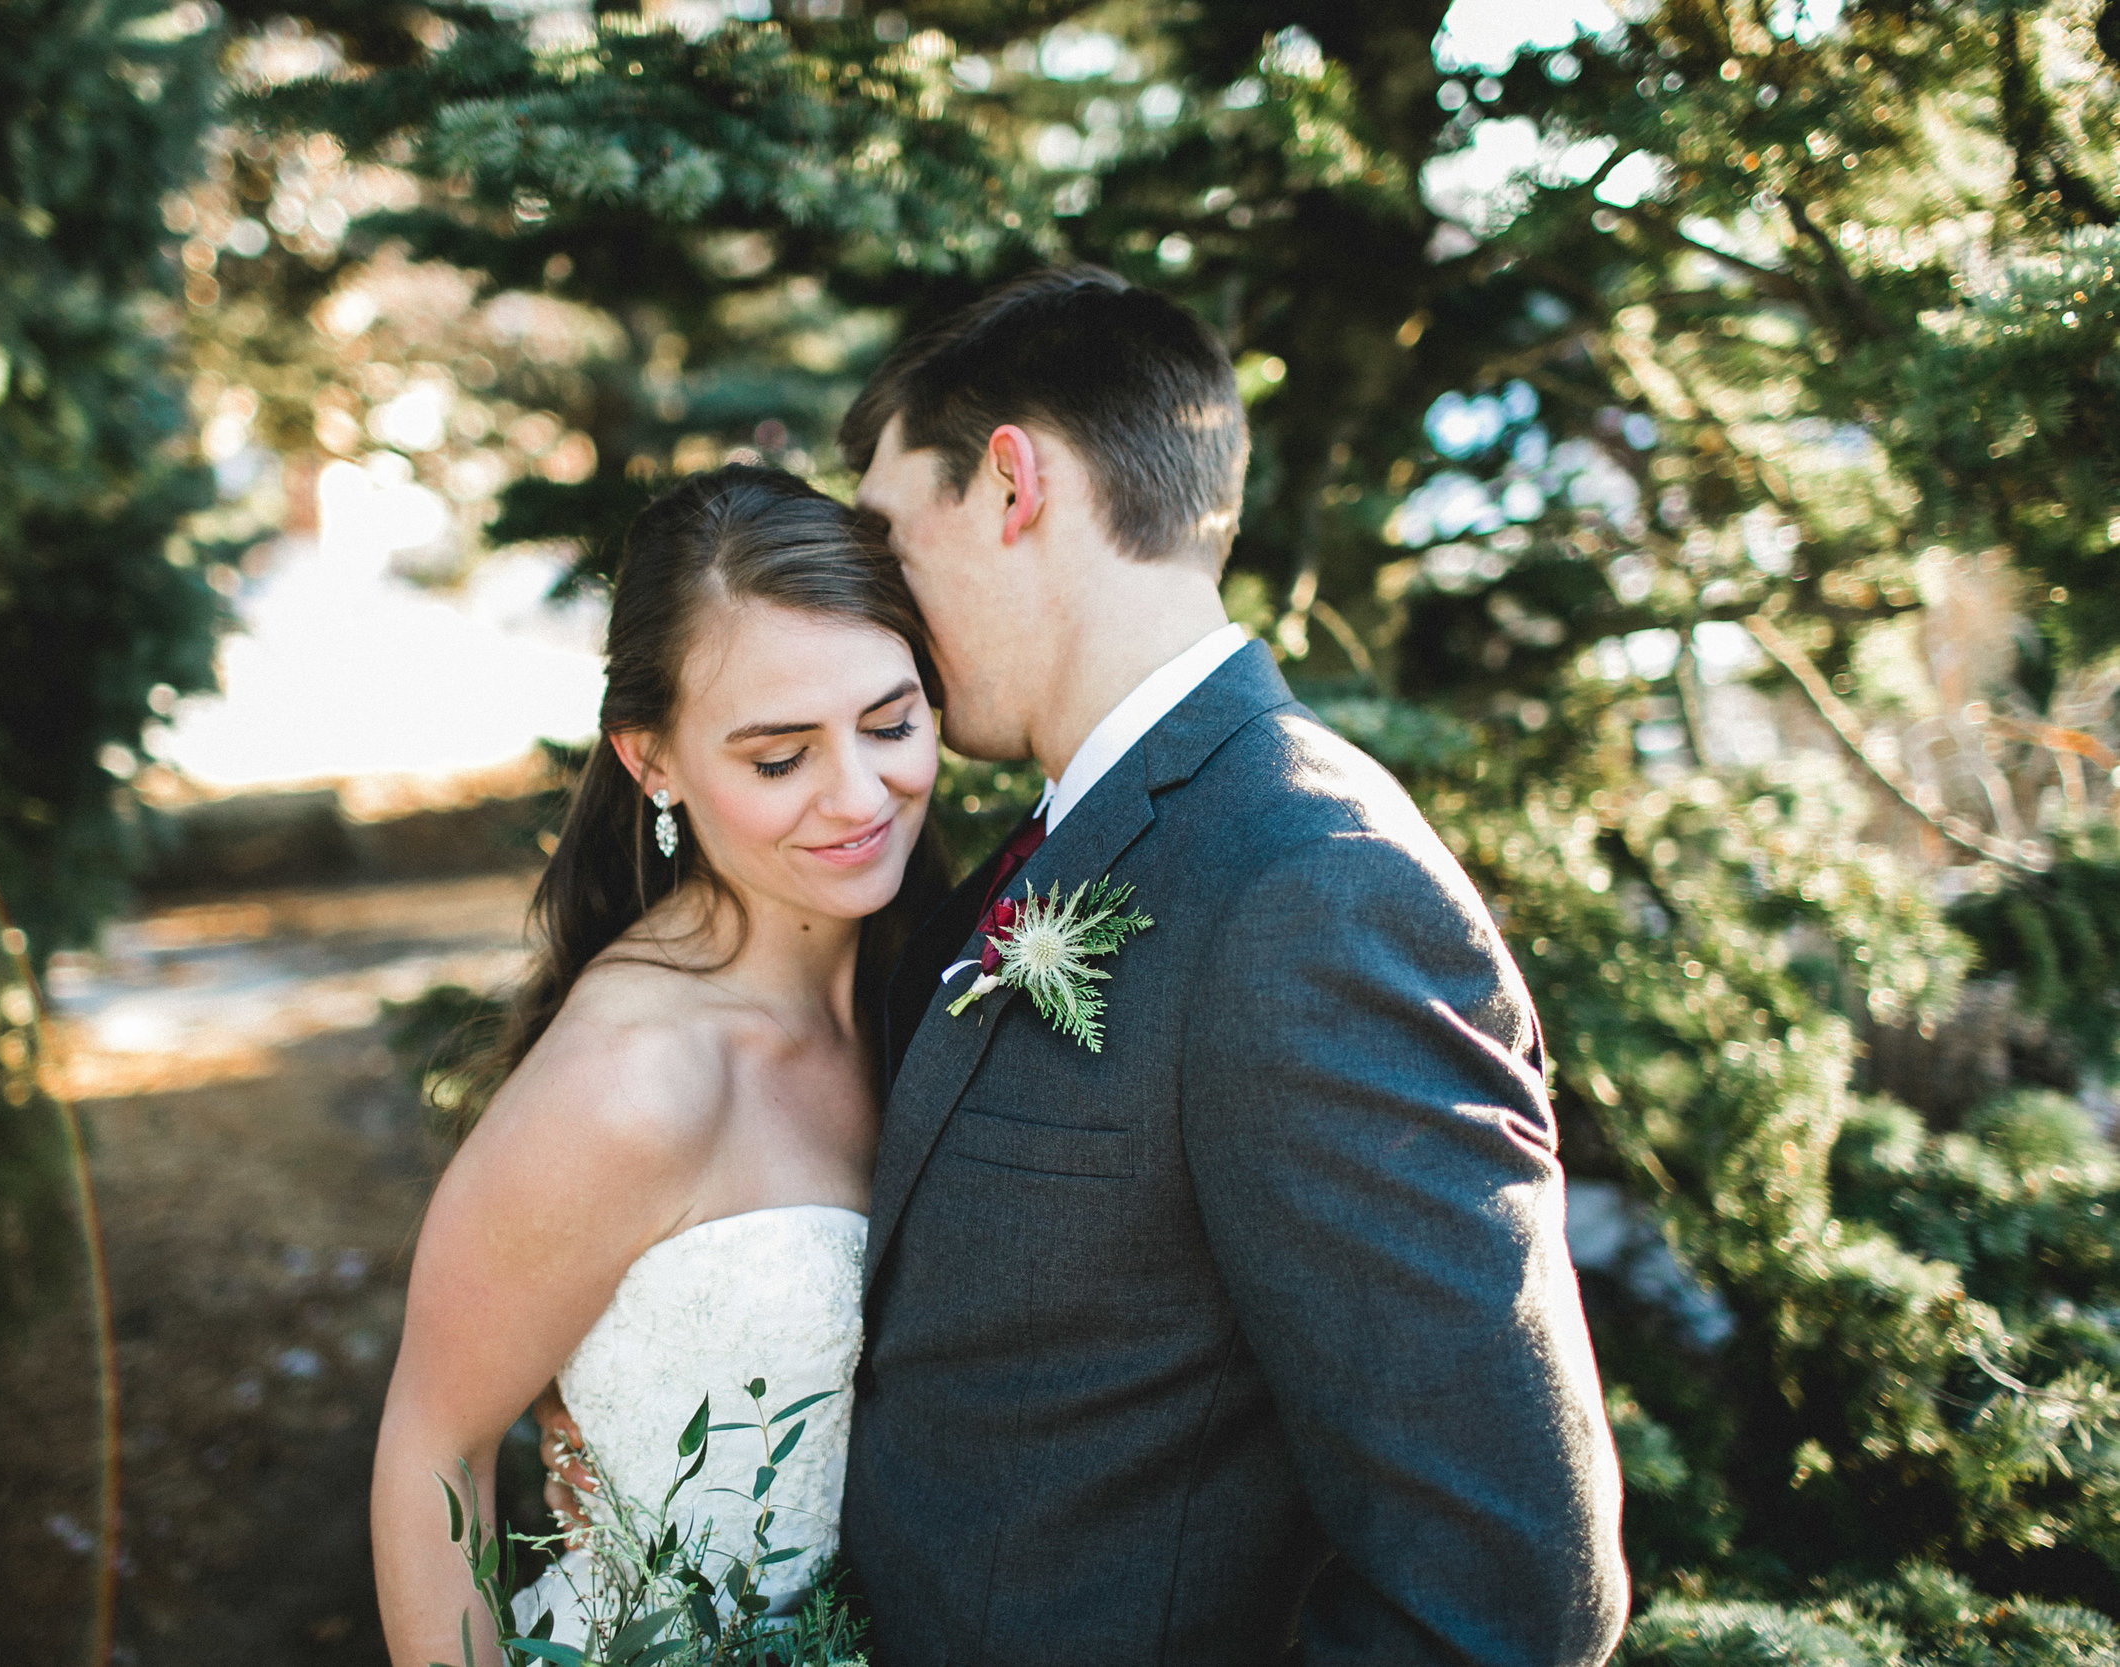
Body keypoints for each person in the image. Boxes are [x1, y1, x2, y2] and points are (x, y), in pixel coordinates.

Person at [536, 267, 1630, 1664]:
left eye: (884, 530)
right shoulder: (1073, 835)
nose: (873, 592)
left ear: (1010, 483)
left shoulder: (1310, 883)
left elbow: (1510, 1590)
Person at [370, 466, 949, 1665]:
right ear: (653, 762)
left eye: (890, 723)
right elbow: (434, 1444)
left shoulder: (931, 976)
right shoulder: (632, 1080)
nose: (860, 793)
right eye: (778, 757)